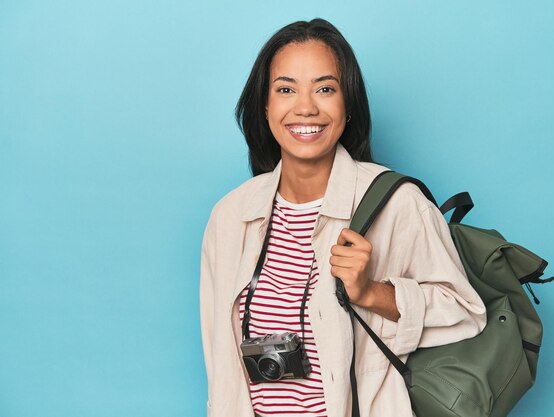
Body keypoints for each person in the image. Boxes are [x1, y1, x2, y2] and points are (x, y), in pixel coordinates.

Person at [200, 18, 486, 417]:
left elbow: (466, 313)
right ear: (265, 106)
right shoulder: (230, 217)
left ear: (347, 105)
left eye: (325, 88)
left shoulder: (396, 202)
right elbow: (221, 363)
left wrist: (371, 292)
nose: (305, 107)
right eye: (286, 89)